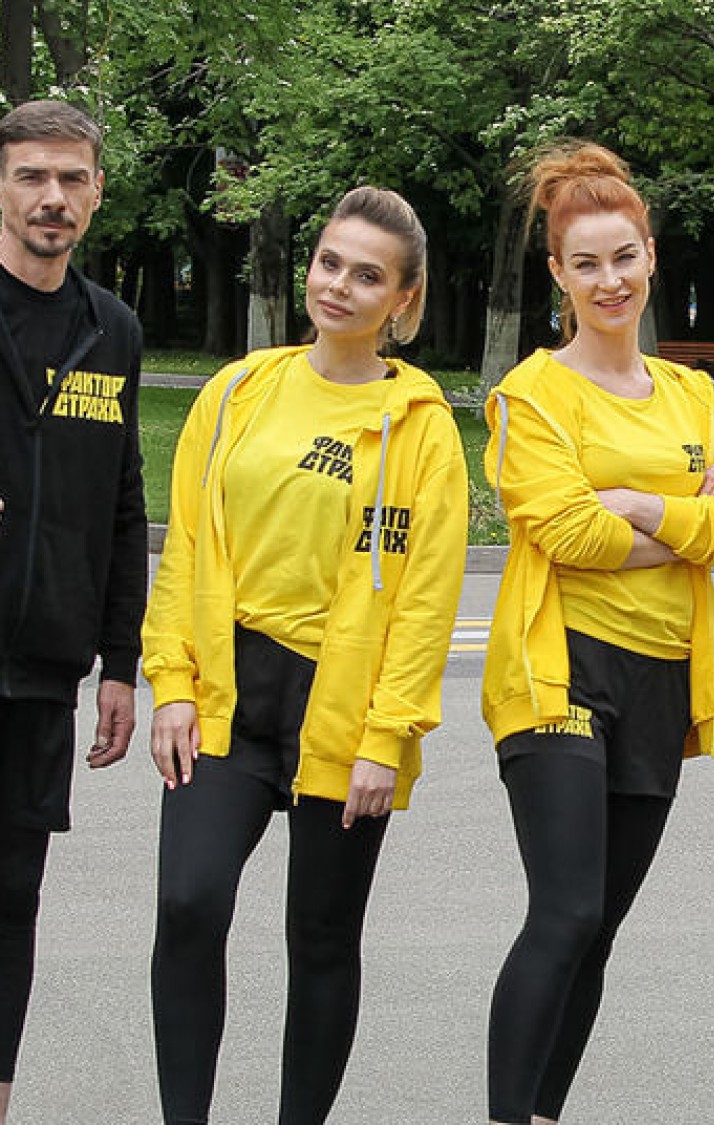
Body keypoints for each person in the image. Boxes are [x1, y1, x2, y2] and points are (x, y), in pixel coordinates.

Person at [142, 186, 468, 1125]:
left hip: (345, 709)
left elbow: (426, 601)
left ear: (402, 300)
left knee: (322, 938)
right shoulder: (238, 392)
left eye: (368, 276)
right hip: (227, 690)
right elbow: (187, 548)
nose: (339, 286)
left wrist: (386, 737)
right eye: (330, 262)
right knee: (189, 904)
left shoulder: (422, 427)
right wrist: (171, 683)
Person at [481, 141, 714, 1125]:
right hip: (558, 672)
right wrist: (686, 519)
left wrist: (640, 503)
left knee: (597, 926)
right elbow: (565, 532)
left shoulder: (693, 396)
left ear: (650, 257)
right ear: (558, 274)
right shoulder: (531, 396)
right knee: (564, 912)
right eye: (587, 263)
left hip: (659, 682)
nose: (610, 281)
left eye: (624, 258)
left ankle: (542, 1113)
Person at [0, 99, 144, 1125]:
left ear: (96, 192)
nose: (52, 197)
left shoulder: (112, 330)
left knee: (13, 899)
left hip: (45, 669)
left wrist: (120, 661)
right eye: (31, 176)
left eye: (71, 179)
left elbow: (124, 502)